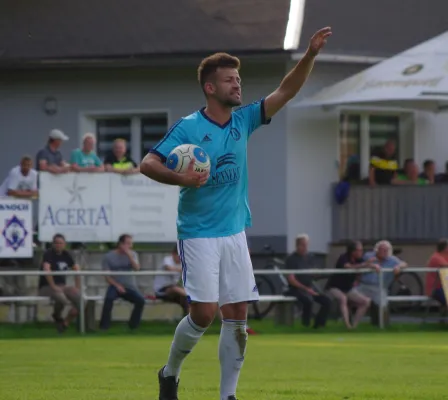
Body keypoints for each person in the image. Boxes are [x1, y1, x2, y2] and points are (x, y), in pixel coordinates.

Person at [140, 26, 332, 400]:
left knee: (238, 318)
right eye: (229, 80)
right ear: (210, 88)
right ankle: (170, 372)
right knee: (204, 315)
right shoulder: (189, 127)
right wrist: (180, 176)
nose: (237, 85)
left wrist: (309, 55)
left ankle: (228, 396)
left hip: (234, 233)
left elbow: (286, 91)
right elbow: (147, 163)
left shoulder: (244, 120)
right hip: (198, 232)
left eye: (238, 79)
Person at [99, 234, 145, 331]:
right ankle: (104, 326)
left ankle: (133, 326)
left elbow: (137, 268)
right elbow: (107, 276)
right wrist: (117, 285)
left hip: (130, 286)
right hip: (115, 285)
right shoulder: (108, 256)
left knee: (140, 300)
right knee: (108, 299)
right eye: (128, 244)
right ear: (120, 244)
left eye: (131, 244)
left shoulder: (133, 254)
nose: (130, 246)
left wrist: (129, 255)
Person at [325, 241, 376, 329]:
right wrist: (365, 264)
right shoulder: (343, 257)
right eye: (359, 250)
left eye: (361, 250)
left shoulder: (359, 259)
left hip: (348, 288)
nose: (361, 252)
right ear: (353, 251)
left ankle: (354, 326)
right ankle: (347, 325)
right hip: (335, 286)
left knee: (366, 301)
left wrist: (374, 266)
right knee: (343, 298)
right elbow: (348, 267)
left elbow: (365, 266)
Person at [284, 234, 331, 329]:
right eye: (303, 245)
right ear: (297, 245)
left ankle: (318, 325)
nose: (305, 248)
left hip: (309, 287)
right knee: (307, 301)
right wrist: (306, 289)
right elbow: (291, 279)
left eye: (306, 245)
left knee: (327, 301)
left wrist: (319, 274)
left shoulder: (309, 257)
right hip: (296, 289)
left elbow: (312, 272)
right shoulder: (291, 259)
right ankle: (305, 325)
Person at [38, 233, 81, 333]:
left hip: (62, 286)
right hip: (47, 286)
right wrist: (53, 286)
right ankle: (57, 316)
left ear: (65, 244)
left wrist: (77, 287)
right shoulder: (48, 254)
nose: (59, 245)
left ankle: (65, 323)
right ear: (53, 244)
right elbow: (46, 270)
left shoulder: (67, 254)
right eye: (56, 243)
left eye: (61, 243)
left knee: (81, 299)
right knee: (61, 298)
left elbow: (77, 270)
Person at [154, 245, 189, 316]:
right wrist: (183, 269)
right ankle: (189, 295)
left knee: (186, 300)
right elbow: (168, 268)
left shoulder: (182, 263)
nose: (181, 258)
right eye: (179, 256)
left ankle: (189, 319)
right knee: (175, 289)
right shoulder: (167, 259)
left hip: (175, 291)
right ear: (173, 254)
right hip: (161, 290)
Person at [426, 239, 448, 308]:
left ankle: (443, 316)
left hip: (444, 287)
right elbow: (445, 266)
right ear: (445, 248)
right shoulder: (436, 257)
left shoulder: (444, 256)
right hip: (435, 289)